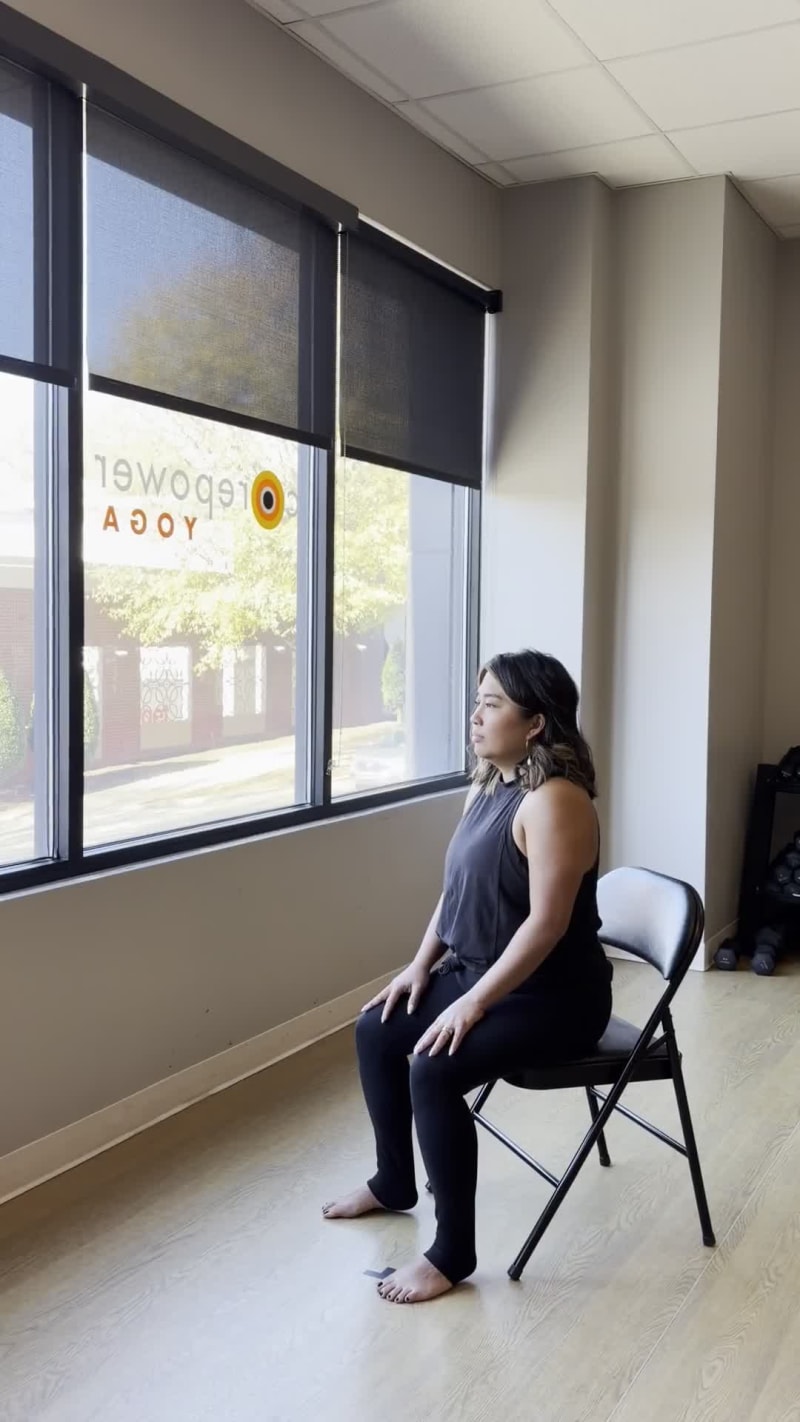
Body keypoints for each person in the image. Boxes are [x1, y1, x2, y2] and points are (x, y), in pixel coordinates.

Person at [323, 649, 613, 1305]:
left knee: (433, 1068)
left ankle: (451, 1254)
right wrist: (419, 965)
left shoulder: (556, 802)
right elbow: (455, 893)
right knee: (377, 1029)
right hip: (482, 973)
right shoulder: (487, 786)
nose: (476, 716)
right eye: (478, 702)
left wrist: (473, 1003)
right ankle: (394, 1181)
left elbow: (546, 924)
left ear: (535, 723)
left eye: (492, 705)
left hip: (553, 997)